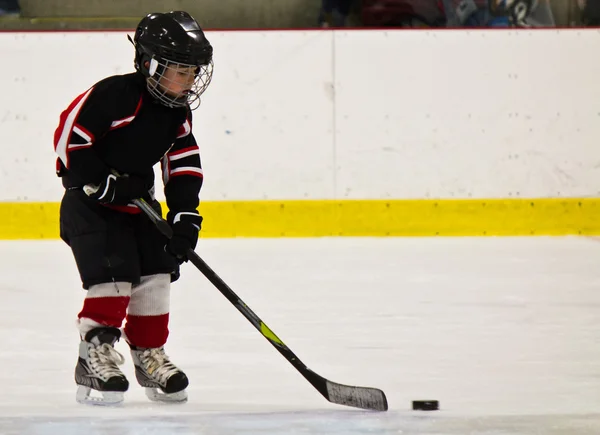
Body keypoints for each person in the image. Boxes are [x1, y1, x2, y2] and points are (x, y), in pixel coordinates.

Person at [53, 10, 213, 405]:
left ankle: (149, 355)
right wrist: (100, 180)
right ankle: (95, 354)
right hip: (89, 206)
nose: (189, 80)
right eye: (180, 70)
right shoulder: (115, 95)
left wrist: (184, 215)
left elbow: (183, 161)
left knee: (157, 275)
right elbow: (69, 138)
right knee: (113, 277)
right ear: (149, 64)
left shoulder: (177, 112)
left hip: (139, 206)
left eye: (193, 72)